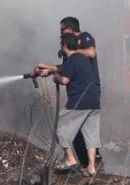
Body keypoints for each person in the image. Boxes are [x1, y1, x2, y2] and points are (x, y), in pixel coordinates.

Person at [35, 16, 102, 170]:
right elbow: (67, 69)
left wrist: (70, 49)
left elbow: (91, 53)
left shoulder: (85, 37)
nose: (60, 31)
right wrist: (47, 68)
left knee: (68, 127)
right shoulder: (71, 55)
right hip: (81, 93)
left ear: (71, 29)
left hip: (85, 91)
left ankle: (87, 162)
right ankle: (88, 165)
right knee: (82, 131)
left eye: (63, 29)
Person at [50, 33, 101, 176]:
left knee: (60, 127)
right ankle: (91, 167)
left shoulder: (71, 60)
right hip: (94, 103)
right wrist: (50, 70)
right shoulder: (84, 60)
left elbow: (65, 80)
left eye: (62, 46)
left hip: (79, 102)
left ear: (65, 46)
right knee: (91, 135)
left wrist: (55, 78)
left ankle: (70, 159)